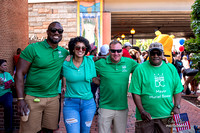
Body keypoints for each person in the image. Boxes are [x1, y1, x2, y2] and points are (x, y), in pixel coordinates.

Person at [15, 21, 69, 133]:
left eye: (60, 31)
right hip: (33, 97)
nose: (56, 33)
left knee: (49, 130)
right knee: (29, 130)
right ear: (47, 32)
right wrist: (20, 99)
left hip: (53, 99)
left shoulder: (64, 53)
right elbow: (19, 73)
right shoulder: (33, 48)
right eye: (53, 30)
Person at [129, 42, 183, 133]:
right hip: (145, 117)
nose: (155, 55)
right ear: (148, 54)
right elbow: (135, 92)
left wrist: (177, 106)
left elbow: (177, 89)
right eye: (152, 53)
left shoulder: (171, 68)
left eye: (158, 53)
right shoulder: (140, 69)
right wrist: (142, 111)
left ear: (162, 54)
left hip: (166, 116)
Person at [94, 40, 138, 133]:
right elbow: (88, 71)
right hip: (105, 106)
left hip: (122, 107)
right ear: (109, 51)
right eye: (113, 51)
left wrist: (163, 59)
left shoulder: (129, 62)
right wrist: (98, 81)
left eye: (119, 51)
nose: (116, 53)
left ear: (122, 51)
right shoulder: (101, 63)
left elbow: (143, 70)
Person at [62, 36, 96, 133]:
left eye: (83, 48)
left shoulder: (90, 61)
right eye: (77, 47)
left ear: (86, 50)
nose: (80, 50)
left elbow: (100, 59)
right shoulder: (65, 63)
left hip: (88, 104)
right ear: (73, 49)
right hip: (70, 103)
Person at [0, 59, 14, 133]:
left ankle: (8, 129)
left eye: (6, 65)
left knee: (8, 106)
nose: (6, 67)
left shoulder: (8, 74)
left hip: (7, 94)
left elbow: (13, 84)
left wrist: (12, 84)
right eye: (4, 65)